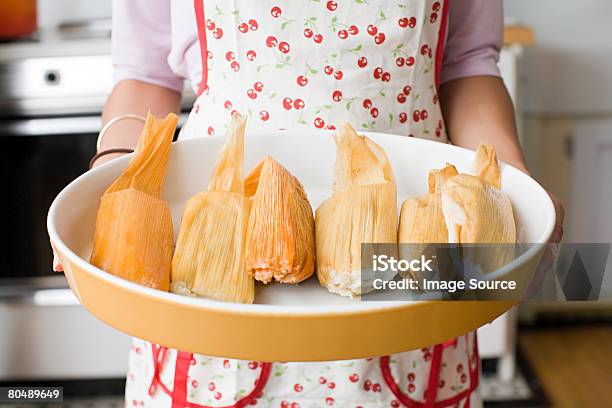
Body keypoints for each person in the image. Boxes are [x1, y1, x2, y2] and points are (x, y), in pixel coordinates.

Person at [55, 0, 565, 406]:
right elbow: (146, 74)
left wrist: (512, 189)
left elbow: (467, 65)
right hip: (214, 263)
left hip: (413, 251)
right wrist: (114, 173)